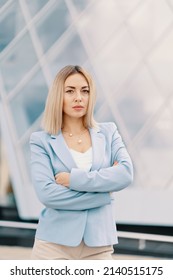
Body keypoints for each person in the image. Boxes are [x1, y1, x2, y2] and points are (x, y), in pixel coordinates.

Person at [30, 65, 133, 260]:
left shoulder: (108, 132)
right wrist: (103, 195)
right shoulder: (41, 141)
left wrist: (74, 179)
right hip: (53, 245)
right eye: (70, 91)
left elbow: (126, 173)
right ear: (58, 96)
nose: (79, 97)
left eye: (84, 91)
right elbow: (48, 194)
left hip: (99, 246)